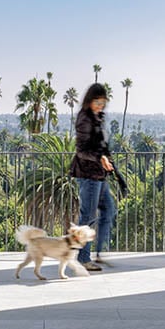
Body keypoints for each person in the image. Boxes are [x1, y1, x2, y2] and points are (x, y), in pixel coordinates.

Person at [71, 82, 117, 272]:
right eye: (97, 101)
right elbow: (81, 150)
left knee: (108, 210)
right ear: (89, 101)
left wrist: (105, 159)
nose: (100, 105)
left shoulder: (97, 118)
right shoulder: (84, 119)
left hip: (99, 175)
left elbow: (100, 145)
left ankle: (97, 252)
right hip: (88, 174)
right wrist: (101, 159)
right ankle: (83, 258)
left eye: (103, 102)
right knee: (88, 216)